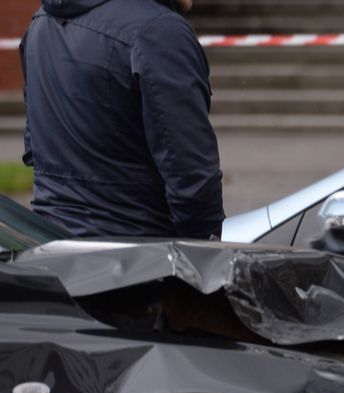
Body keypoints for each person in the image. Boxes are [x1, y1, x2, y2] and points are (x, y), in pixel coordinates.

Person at [20, 0, 224, 239]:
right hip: (136, 258)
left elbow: (36, 147)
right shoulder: (159, 32)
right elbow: (192, 180)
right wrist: (201, 261)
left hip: (52, 250)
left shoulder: (41, 22)